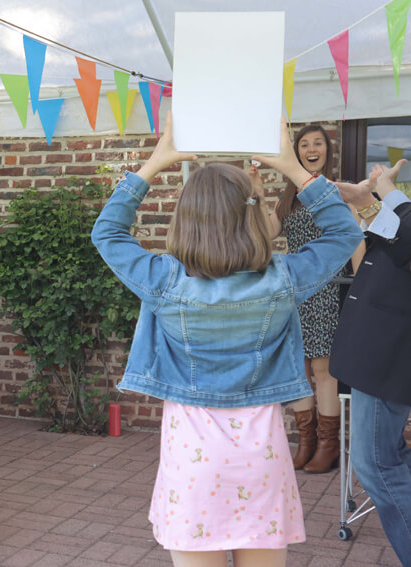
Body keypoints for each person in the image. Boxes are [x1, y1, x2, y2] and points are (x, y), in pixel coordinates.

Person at [91, 113, 361, 567]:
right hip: (261, 458)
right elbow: (344, 232)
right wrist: (294, 170)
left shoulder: (163, 281)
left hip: (191, 464)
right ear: (252, 215)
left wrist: (154, 164)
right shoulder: (283, 280)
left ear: (187, 218)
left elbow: (108, 233)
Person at [247, 125, 355, 473]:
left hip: (327, 286)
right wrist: (258, 196)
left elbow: (352, 239)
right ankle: (305, 441)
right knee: (299, 368)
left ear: (328, 150)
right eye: (304, 144)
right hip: (295, 291)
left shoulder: (334, 191)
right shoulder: (289, 197)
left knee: (323, 369)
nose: (311, 149)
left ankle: (328, 445)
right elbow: (265, 234)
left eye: (317, 143)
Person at [331, 159, 411, 563]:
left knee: (376, 465)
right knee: (387, 459)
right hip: (379, 352)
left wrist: (386, 194)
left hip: (390, 356)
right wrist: (366, 204)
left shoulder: (401, 206)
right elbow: (392, 252)